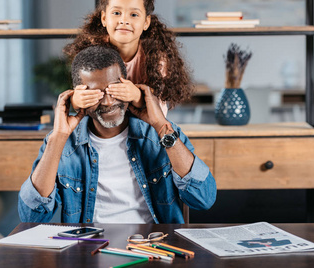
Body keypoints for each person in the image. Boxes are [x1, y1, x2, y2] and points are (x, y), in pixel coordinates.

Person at [18, 46, 216, 224]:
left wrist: (160, 124)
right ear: (78, 95)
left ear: (127, 85)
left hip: (154, 248)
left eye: (114, 89)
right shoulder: (63, 143)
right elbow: (30, 217)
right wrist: (59, 136)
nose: (107, 101)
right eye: (95, 94)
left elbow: (204, 198)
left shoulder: (159, 133)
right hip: (88, 249)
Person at [63, 0, 193, 116]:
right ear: (104, 18)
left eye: (134, 15)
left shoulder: (156, 58)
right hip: (106, 128)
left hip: (146, 127)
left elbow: (158, 107)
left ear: (146, 23)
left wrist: (137, 97)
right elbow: (79, 99)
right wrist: (76, 101)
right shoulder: (90, 53)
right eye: (116, 13)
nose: (124, 20)